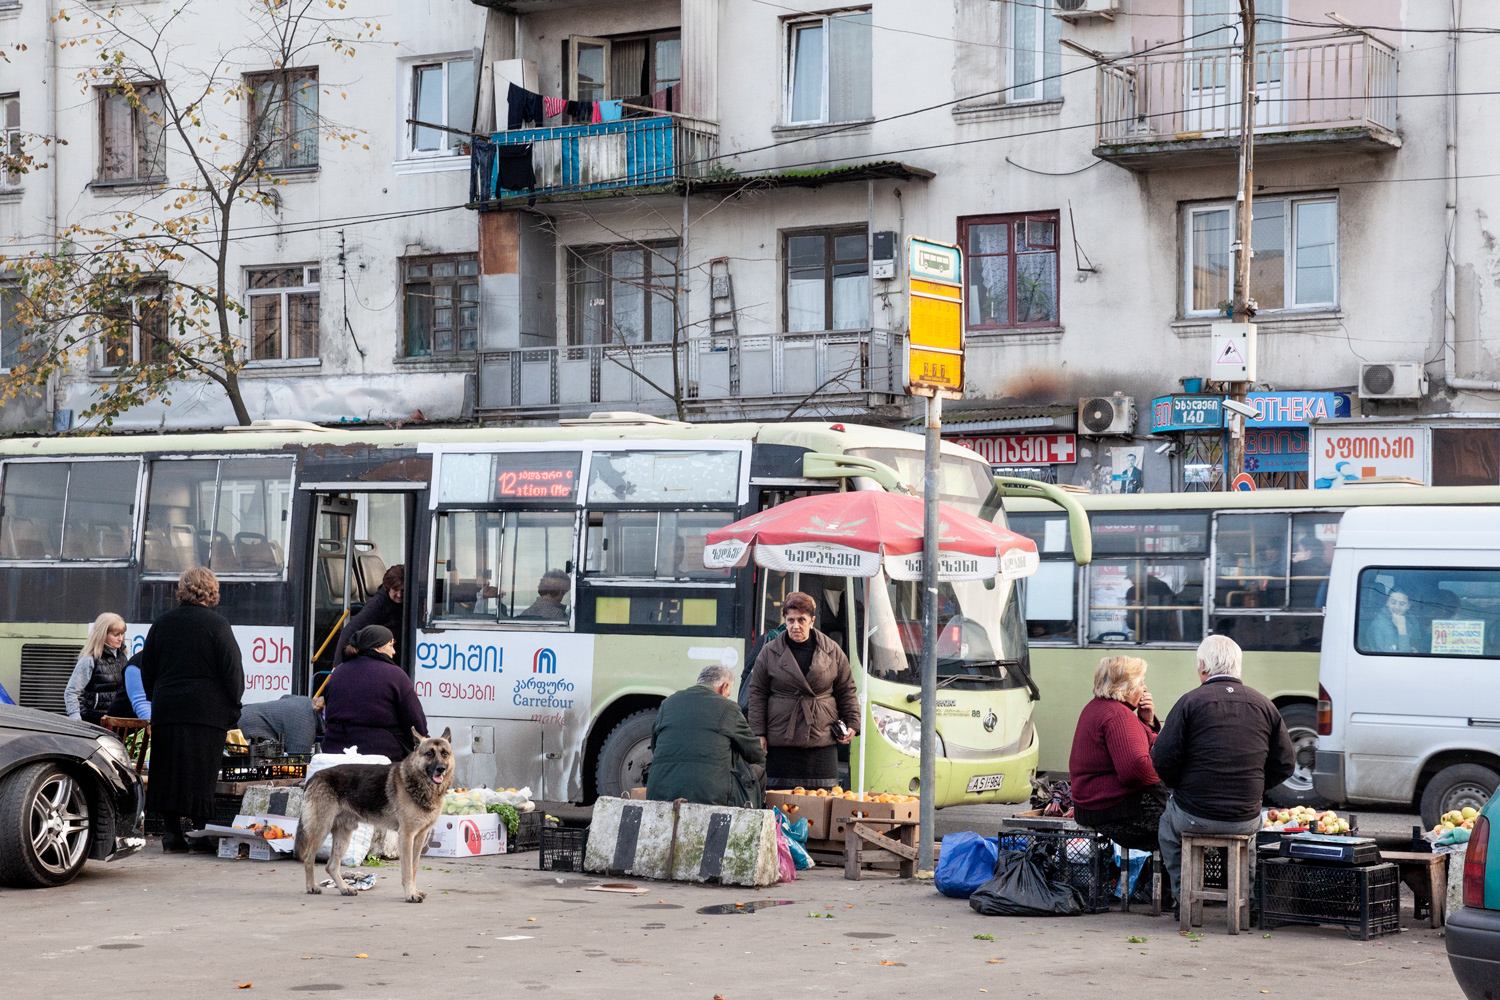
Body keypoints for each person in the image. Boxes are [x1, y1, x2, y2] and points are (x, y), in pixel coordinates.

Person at [1151, 635, 1295, 902]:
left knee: (1167, 828)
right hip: (1245, 817)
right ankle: (1245, 901)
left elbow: (1161, 758)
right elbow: (1286, 764)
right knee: (1247, 837)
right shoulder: (1264, 705)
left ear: (1203, 667)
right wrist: (1253, 786)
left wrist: (1178, 786)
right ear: (1237, 666)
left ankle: (1185, 899)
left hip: (1194, 814)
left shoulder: (1189, 702)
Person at [140, 567, 245, 853]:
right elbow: (233, 672)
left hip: (168, 708)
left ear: (182, 589)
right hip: (206, 712)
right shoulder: (218, 625)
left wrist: (157, 698)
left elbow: (146, 669)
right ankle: (200, 833)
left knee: (168, 770)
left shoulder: (162, 623)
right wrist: (232, 707)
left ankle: (172, 833)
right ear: (212, 591)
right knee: (201, 772)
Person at [746, 591, 860, 791]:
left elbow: (846, 690)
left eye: (801, 620)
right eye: (790, 620)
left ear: (812, 621)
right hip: (781, 742)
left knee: (821, 803)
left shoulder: (832, 650)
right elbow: (757, 693)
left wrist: (853, 723)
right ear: (784, 620)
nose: (795, 626)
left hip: (821, 741)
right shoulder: (769, 651)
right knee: (780, 802)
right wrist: (758, 733)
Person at [1068, 656, 1166, 853]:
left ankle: (1154, 882)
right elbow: (1136, 772)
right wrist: (1168, 771)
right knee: (1183, 824)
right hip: (1113, 812)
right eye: (1141, 682)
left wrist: (1147, 722)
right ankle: (1170, 883)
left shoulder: (1097, 707)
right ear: (1125, 687)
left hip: (1094, 808)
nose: (1144, 689)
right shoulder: (1118, 715)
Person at [646, 663, 767, 808]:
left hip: (658, 791)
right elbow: (755, 753)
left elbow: (655, 746)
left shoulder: (668, 703)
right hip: (710, 795)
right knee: (758, 771)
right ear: (725, 687)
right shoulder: (728, 707)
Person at [322, 624, 428, 761]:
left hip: (333, 750)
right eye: (391, 645)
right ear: (378, 647)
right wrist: (425, 740)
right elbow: (415, 721)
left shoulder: (338, 673)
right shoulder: (395, 674)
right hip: (381, 754)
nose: (394, 652)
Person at [333, 564, 405, 666]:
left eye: (403, 590)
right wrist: (338, 666)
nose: (399, 594)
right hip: (382, 661)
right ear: (388, 587)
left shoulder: (408, 599)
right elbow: (350, 630)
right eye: (395, 590)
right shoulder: (378, 604)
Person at [64, 613, 130, 723]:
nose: (120, 638)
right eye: (116, 635)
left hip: (117, 720)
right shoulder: (89, 659)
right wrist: (75, 719)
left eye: (122, 634)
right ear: (102, 635)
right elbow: (71, 691)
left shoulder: (122, 657)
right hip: (94, 720)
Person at [237, 694, 321, 754]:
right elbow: (296, 758)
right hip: (246, 726)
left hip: (243, 715)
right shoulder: (306, 721)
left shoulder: (306, 703)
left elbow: (285, 697)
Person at [104, 651, 151, 721]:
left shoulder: (122, 657)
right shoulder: (137, 663)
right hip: (123, 722)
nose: (120, 639)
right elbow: (141, 703)